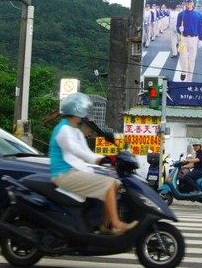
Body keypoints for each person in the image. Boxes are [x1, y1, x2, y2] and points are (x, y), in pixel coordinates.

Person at [49, 93, 138, 235]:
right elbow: (75, 150)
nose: (85, 113)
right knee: (108, 184)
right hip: (63, 174)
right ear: (76, 110)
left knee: (115, 183)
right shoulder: (64, 129)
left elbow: (86, 152)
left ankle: (104, 226)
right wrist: (102, 160)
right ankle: (116, 224)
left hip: (73, 171)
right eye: (83, 110)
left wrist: (105, 159)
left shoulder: (74, 130)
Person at [176, 0, 202, 82]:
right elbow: (177, 26)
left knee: (192, 59)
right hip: (183, 39)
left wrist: (201, 39)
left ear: (193, 3)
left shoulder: (198, 14)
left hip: (194, 39)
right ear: (185, 4)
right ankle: (183, 71)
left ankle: (189, 78)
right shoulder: (181, 14)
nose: (189, 4)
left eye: (190, 2)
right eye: (187, 2)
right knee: (183, 57)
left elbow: (200, 27)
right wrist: (179, 29)